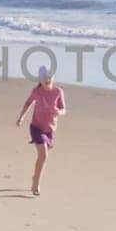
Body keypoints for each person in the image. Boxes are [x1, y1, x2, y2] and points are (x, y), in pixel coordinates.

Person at [14, 65, 66, 196]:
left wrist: (58, 112)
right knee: (43, 155)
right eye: (44, 78)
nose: (47, 80)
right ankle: (36, 183)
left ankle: (35, 177)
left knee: (42, 156)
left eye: (49, 77)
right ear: (40, 79)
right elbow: (28, 103)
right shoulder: (37, 92)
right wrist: (21, 117)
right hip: (36, 127)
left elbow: (64, 109)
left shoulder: (58, 91)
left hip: (49, 130)